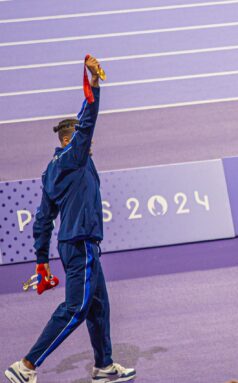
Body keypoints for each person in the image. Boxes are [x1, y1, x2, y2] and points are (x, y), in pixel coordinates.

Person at [4, 56, 136, 383]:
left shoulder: (52, 170)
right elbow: (87, 120)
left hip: (70, 244)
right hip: (81, 244)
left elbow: (43, 220)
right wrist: (93, 84)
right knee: (77, 308)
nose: (87, 143)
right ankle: (27, 365)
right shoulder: (73, 158)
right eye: (79, 139)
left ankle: (104, 366)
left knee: (99, 306)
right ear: (68, 140)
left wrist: (40, 262)